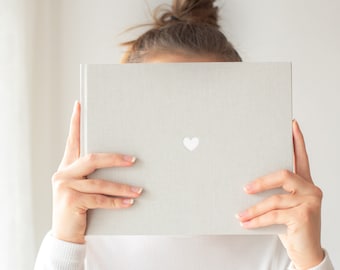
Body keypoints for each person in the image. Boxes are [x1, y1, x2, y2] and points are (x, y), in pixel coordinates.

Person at [34, 0, 334, 269]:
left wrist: (310, 262)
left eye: (209, 112)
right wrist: (63, 245)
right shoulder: (83, 243)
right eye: (162, 112)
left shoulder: (280, 242)